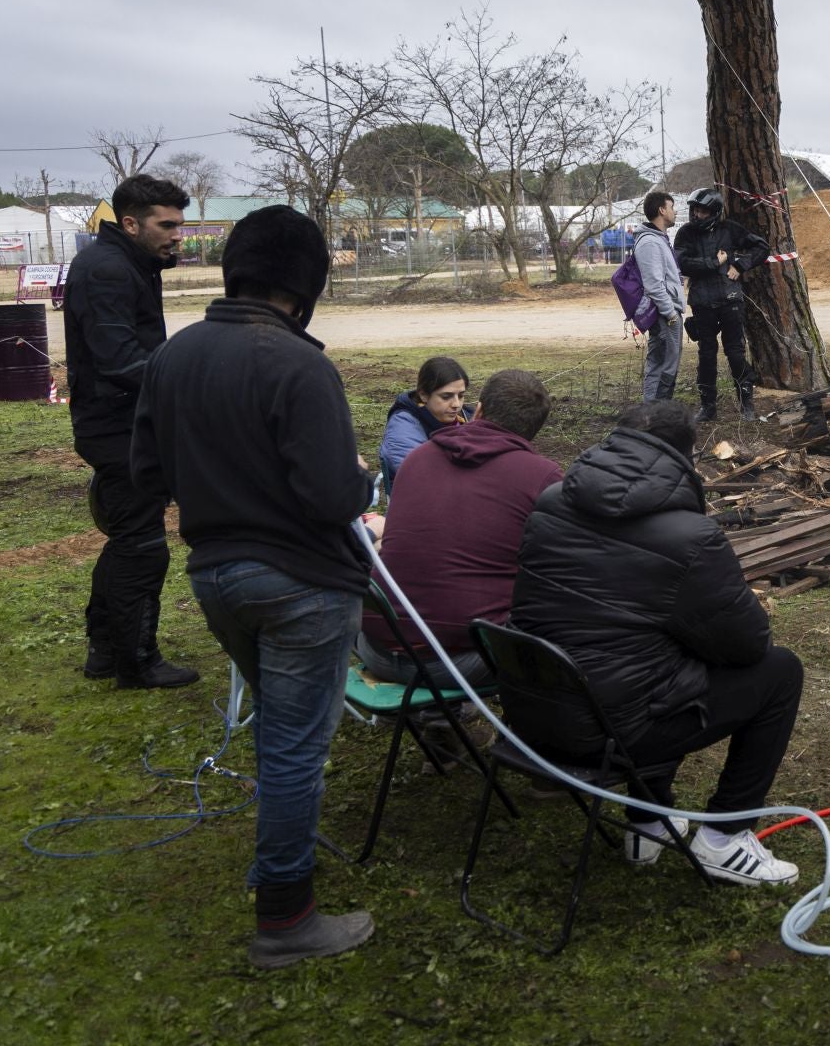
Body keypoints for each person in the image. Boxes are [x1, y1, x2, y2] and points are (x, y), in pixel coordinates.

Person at [131, 206, 376, 970]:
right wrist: (366, 477)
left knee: (281, 733)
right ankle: (286, 919)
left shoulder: (173, 358)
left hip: (216, 577)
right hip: (303, 584)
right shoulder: (301, 364)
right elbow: (337, 497)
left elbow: (146, 475)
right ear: (305, 286)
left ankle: (284, 848)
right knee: (296, 748)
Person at [510, 400, 804, 886]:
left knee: (642, 658)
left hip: (533, 713)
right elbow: (748, 646)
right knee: (780, 672)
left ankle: (649, 822)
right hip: (609, 734)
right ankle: (725, 838)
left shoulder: (550, 502)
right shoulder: (690, 537)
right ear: (687, 456)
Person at [64, 173, 197, 689]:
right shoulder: (108, 270)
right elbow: (119, 360)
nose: (177, 236)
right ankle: (134, 661)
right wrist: (192, 381)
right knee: (141, 545)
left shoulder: (132, 262)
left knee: (128, 539)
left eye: (180, 226)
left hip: (127, 421)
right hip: (115, 426)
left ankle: (104, 650)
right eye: (167, 225)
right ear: (130, 222)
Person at [364, 369, 562, 689]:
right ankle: (523, 734)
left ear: (479, 410)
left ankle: (441, 717)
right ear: (533, 430)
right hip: (456, 663)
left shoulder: (418, 457)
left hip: (374, 645)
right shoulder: (542, 477)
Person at [671, 187, 768, 423]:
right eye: (694, 210)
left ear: (714, 211)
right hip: (702, 302)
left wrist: (741, 265)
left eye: (702, 211)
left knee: (735, 352)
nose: (696, 215)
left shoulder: (730, 229)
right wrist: (714, 262)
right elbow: (682, 263)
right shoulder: (685, 233)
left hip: (730, 300)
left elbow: (762, 247)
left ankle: (747, 405)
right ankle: (708, 407)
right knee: (706, 354)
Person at [378, 356, 470, 501]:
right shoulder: (403, 425)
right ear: (424, 395)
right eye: (446, 397)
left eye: (461, 395)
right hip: (421, 508)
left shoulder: (467, 417)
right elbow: (424, 477)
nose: (456, 404)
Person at [633, 190, 685, 402]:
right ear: (662, 210)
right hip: (666, 315)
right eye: (671, 207)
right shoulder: (650, 242)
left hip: (669, 313)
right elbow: (654, 284)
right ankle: (654, 415)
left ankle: (658, 413)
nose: (674, 212)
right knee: (663, 364)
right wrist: (670, 313)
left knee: (665, 361)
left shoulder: (659, 239)